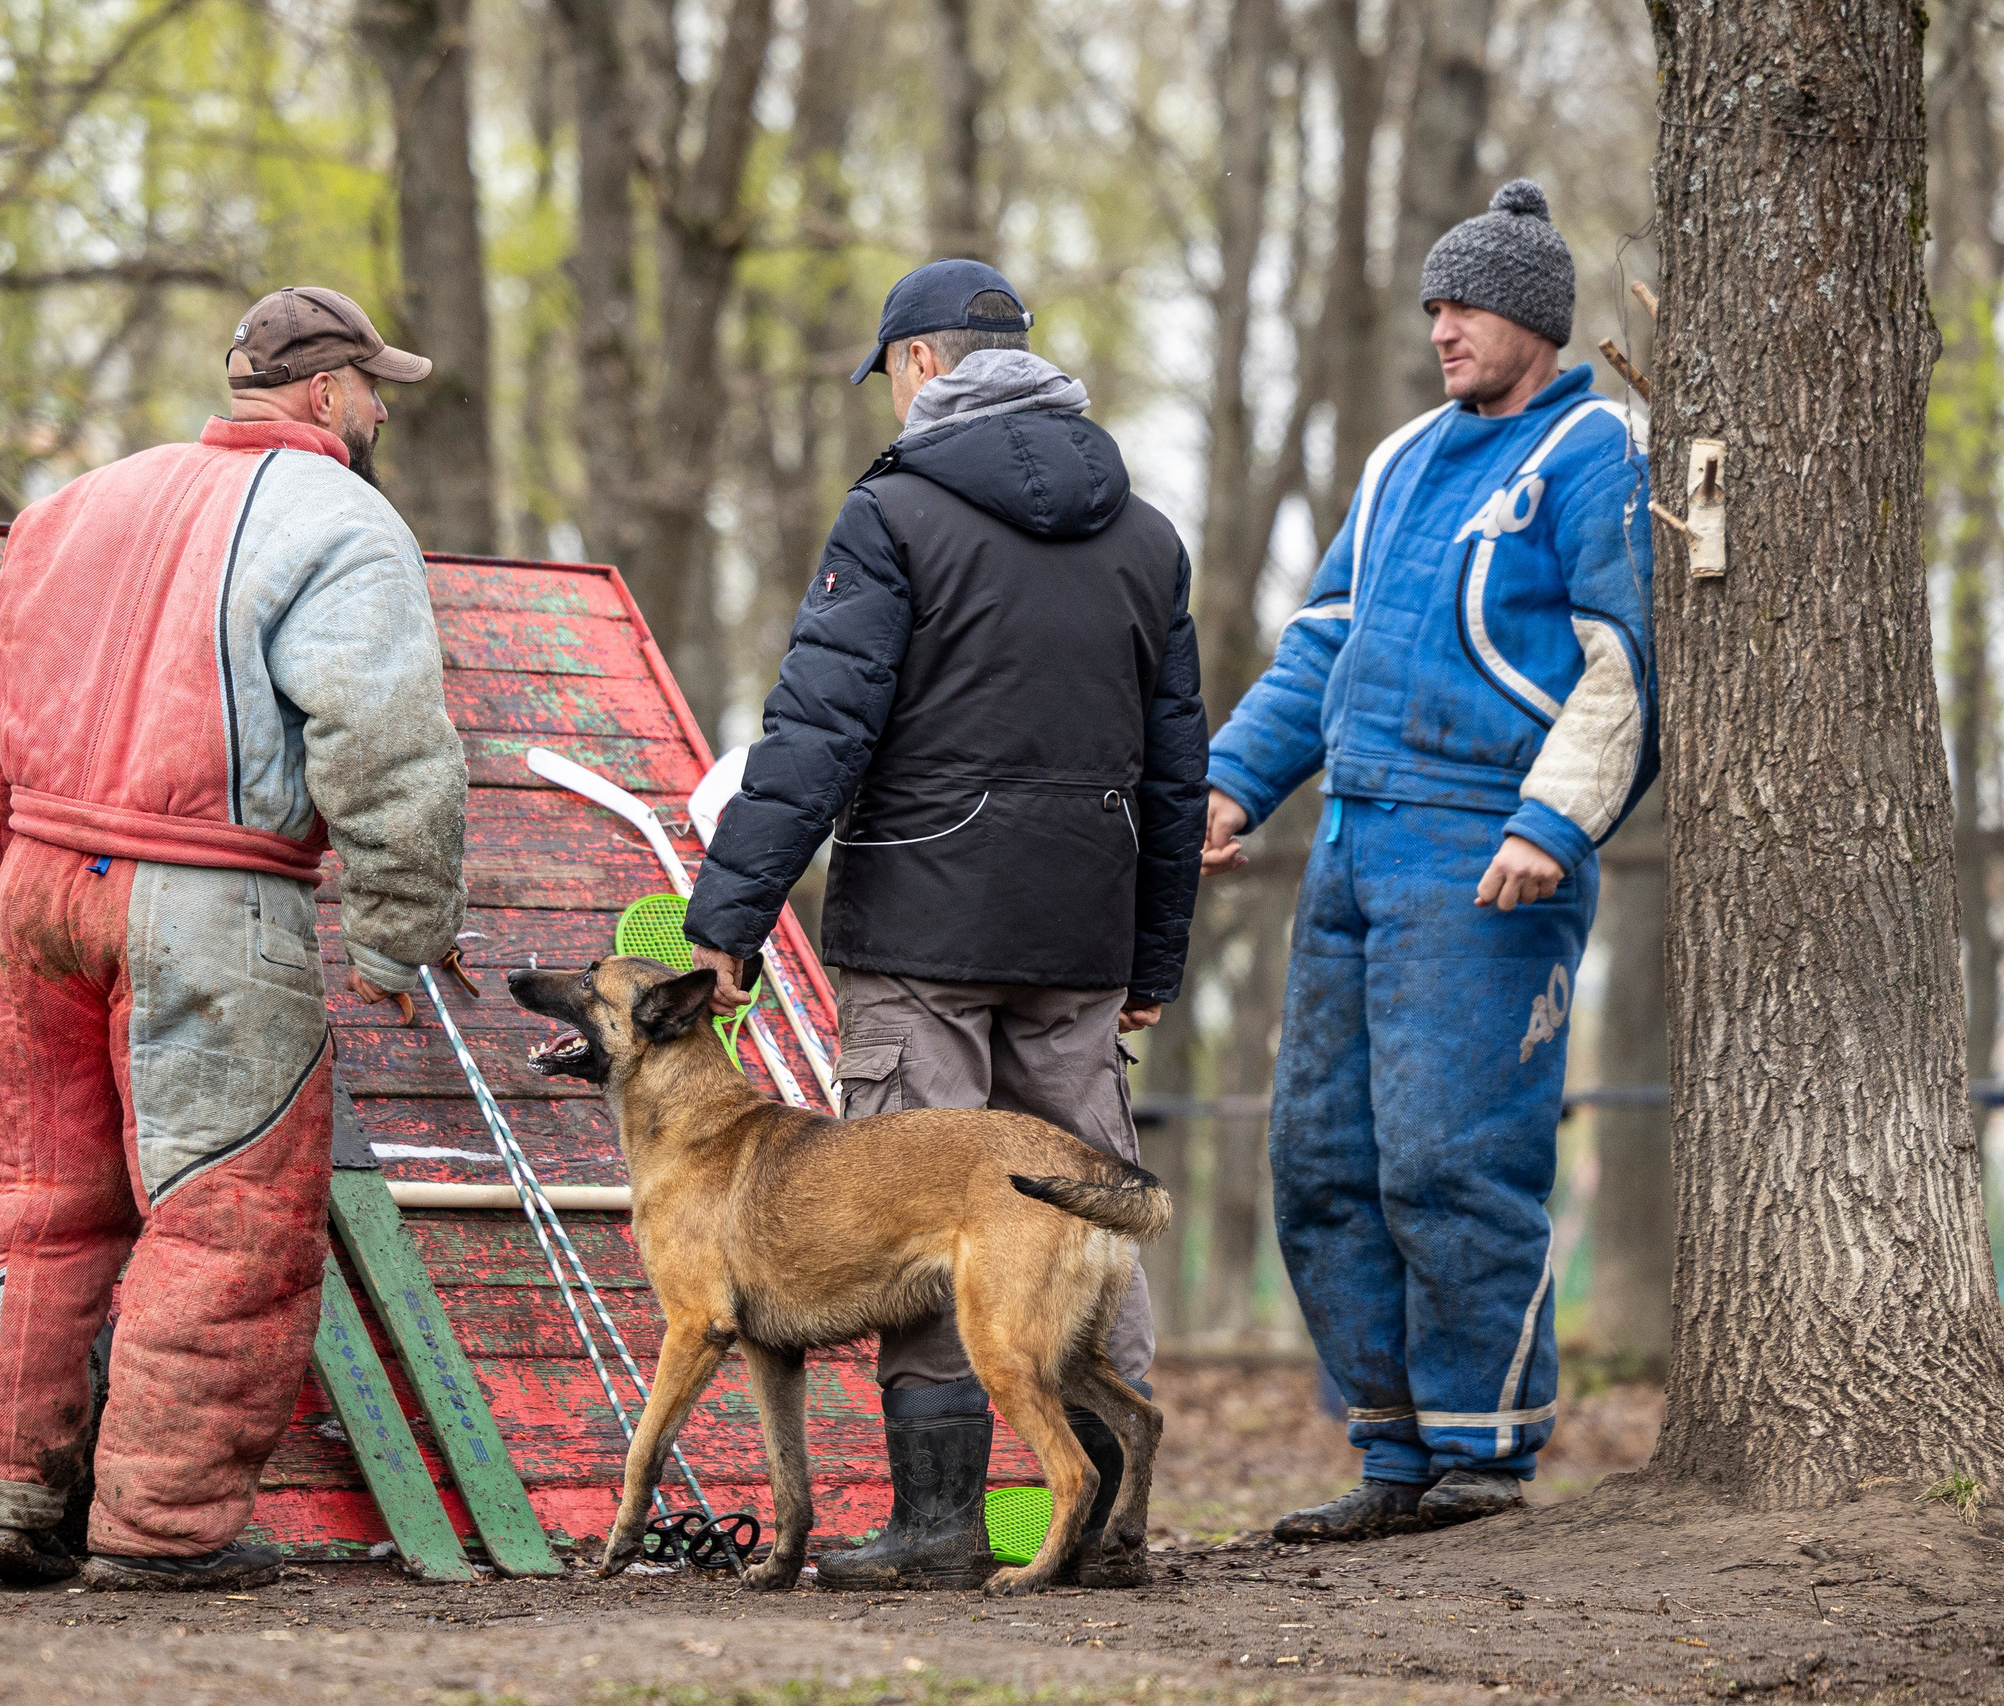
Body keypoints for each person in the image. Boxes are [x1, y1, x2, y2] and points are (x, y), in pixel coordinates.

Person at [683, 259, 1207, 1589]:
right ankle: (1115, 1525)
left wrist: (729, 914)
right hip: (1083, 937)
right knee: (1085, 1207)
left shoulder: (896, 516)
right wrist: (1153, 953)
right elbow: (1174, 773)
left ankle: (934, 1523)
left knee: (915, 1211)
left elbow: (817, 732)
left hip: (920, 926)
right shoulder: (1146, 534)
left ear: (918, 368)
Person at [0, 286, 471, 1590]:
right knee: (224, 1212)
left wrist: (19, 880)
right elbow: (390, 751)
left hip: (42, 887)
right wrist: (399, 939)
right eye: (373, 384)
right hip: (211, 897)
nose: (384, 407)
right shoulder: (343, 520)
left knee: (39, 1197)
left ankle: (0, 1490)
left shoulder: (74, 504)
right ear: (326, 392)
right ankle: (160, 1528)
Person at [1203, 181, 1654, 1541]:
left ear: (1528, 315)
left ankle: (1485, 1451)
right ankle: (1392, 1446)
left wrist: (1553, 819)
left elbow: (1624, 663)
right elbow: (1322, 645)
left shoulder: (1594, 450)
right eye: (1433, 306)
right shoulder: (1401, 457)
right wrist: (1231, 785)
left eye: (1461, 304)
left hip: (1486, 849)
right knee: (1322, 1157)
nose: (1440, 326)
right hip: (1350, 843)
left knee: (1455, 1158)